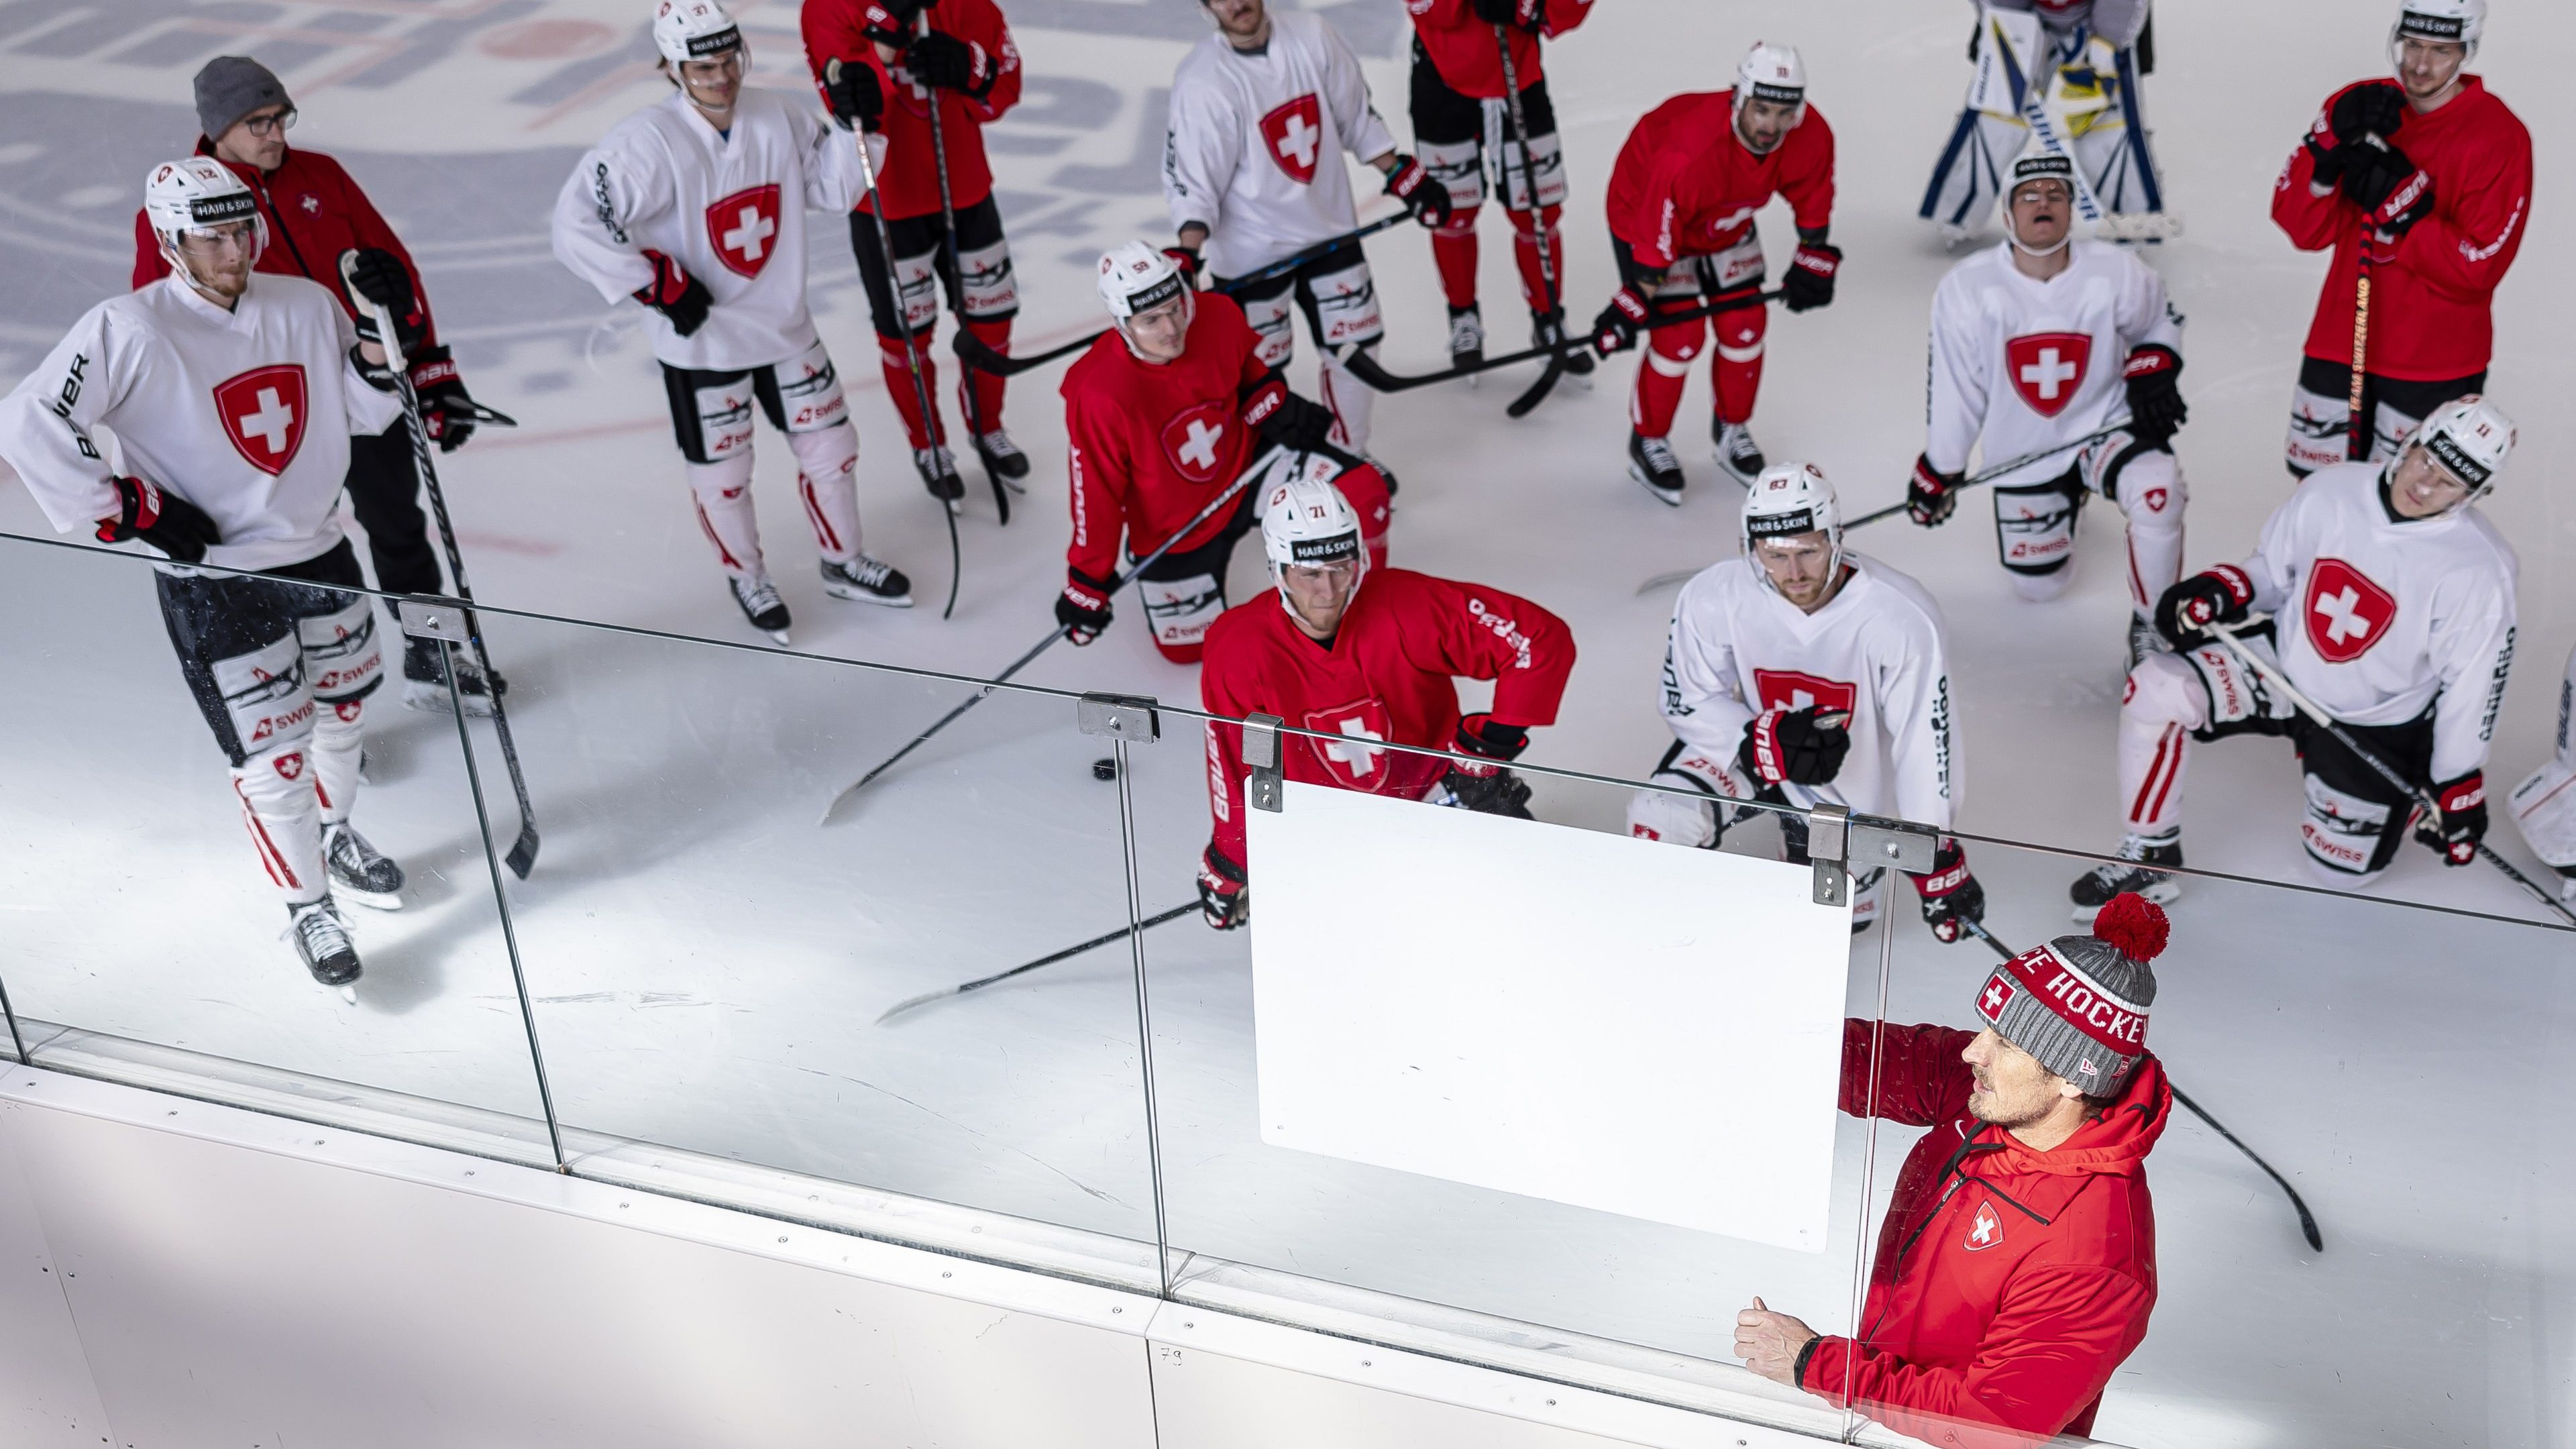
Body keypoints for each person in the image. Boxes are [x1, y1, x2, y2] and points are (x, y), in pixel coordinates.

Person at [1, 158, 415, 990]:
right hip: (213, 579)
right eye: (212, 236)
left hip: (318, 547)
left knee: (343, 716)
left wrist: (381, 323)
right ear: (169, 240)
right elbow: (32, 418)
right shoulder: (129, 326)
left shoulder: (306, 304)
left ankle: (336, 831)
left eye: (243, 230)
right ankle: (308, 905)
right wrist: (130, 507)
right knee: (274, 753)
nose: (235, 251)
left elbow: (370, 408)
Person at [131, 56, 505, 716]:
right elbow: (157, 318)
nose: (276, 134)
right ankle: (311, 701)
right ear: (219, 128)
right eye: (258, 123)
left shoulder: (322, 175)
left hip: (362, 382)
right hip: (272, 412)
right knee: (289, 552)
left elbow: (393, 268)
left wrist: (427, 365)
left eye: (281, 117)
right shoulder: (179, 209)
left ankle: (435, 653)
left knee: (398, 525)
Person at [1734, 894, 2171, 1445]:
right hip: (1881, 1413)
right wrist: (1750, 1032)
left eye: (2005, 1042)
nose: (1973, 1052)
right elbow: (1868, 1060)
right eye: (1986, 1026)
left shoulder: (2093, 1256)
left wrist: (1814, 1365)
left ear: (2073, 1079)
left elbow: (1991, 1426)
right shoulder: (2002, 1096)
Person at [553, 0, 911, 645]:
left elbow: (833, 190)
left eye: (729, 61)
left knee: (833, 452)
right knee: (723, 480)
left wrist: (865, 124)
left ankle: (843, 561)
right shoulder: (645, 144)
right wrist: (650, 282)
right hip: (703, 345)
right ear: (671, 66)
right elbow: (573, 224)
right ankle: (746, 574)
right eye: (704, 66)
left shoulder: (776, 115)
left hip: (785, 327)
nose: (722, 77)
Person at [2072, 396, 2516, 909]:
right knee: (2156, 687)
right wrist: (2223, 590)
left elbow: (2475, 689)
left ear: (2476, 492)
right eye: (2425, 462)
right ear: (2411, 441)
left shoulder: (2482, 571)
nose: (2424, 485)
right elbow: (2273, 573)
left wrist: (2455, 782)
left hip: (2372, 719)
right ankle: (2149, 852)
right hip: (2282, 668)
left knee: (2341, 874)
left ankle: (2395, 795)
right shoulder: (2333, 489)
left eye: (2449, 483)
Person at [1195, 474, 1574, 928]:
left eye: (1341, 567)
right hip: (1330, 836)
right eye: (1310, 573)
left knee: (1527, 921)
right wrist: (1232, 861)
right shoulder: (1241, 650)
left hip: (1444, 799)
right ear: (1277, 567)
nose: (1328, 591)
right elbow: (1244, 764)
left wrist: (1487, 751)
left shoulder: (1404, 606)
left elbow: (1537, 641)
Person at [1628, 463, 1980, 941]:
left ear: (1835, 537)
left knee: (1835, 925)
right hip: (1754, 751)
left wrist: (1932, 849)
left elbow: (1925, 739)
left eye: (1808, 552)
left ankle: (1815, 851)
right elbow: (1685, 698)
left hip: (1848, 786)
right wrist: (1759, 740)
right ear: (1750, 548)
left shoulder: (1899, 616)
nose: (1792, 573)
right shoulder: (1715, 595)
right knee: (1659, 819)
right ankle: (1670, 949)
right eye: (1773, 555)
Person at [1908, 150, 2189, 666]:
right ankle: (2069, 499)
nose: (2044, 204)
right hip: (2025, 450)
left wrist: (2155, 361)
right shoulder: (1968, 289)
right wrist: (1940, 468)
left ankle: (2154, 625)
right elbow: (1956, 387)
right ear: (2009, 214)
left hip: (2106, 429)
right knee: (2040, 588)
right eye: (2030, 196)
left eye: (2056, 195)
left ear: (2072, 208)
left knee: (2158, 490)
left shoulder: (2116, 271)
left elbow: (2161, 319)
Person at [1057, 241, 1389, 664]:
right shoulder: (1097, 392)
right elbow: (1096, 493)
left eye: (1175, 308)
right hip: (1175, 525)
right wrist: (1087, 577)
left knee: (1363, 492)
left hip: (1250, 470)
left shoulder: (1216, 313)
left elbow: (1247, 375)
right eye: (1150, 320)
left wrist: (1272, 403)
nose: (1171, 329)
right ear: (1122, 323)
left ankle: (1362, 621)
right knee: (1190, 651)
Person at [1164, 0, 1451, 457]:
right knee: (1261, 377)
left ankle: (1347, 457)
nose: (1237, 3)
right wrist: (1187, 251)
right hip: (1251, 258)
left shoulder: (1314, 36)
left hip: (1329, 233)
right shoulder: (1203, 80)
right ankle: (1275, 478)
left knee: (1358, 348)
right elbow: (1194, 184)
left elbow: (1355, 118)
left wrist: (1401, 174)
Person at [2272, 0, 2528, 477]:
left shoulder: (2499, 137)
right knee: (2321, 491)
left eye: (2441, 50)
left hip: (2433, 361)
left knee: (2409, 505)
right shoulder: (2361, 106)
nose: (2421, 65)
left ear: (2467, 51)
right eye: (2412, 45)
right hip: (2340, 342)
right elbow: (2304, 229)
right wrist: (2323, 153)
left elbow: (2480, 267)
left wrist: (2405, 215)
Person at [1593, 41, 1837, 501]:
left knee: (1744, 325)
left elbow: (1813, 191)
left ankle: (1732, 428)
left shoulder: (1810, 133)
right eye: (1761, 110)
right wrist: (1633, 300)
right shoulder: (1686, 153)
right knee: (1678, 336)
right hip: (1647, 213)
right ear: (1739, 98)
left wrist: (1813, 254)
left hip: (1725, 219)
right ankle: (1648, 437)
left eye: (1785, 114)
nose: (1772, 126)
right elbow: (1657, 231)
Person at [802, 0, 1026, 498]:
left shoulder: (968, 5)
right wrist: (882, 46)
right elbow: (849, 104)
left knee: (992, 320)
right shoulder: (828, 8)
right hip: (887, 201)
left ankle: (987, 427)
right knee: (907, 337)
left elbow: (1005, 91)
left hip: (965, 189)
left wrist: (973, 69)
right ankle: (929, 444)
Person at [1401, 0, 1595, 372]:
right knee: (1452, 212)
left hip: (1519, 76)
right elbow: (1429, 8)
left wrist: (1529, 7)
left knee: (1538, 210)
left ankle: (1548, 319)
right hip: (1441, 76)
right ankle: (1463, 316)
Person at [1919, 0, 2170, 244]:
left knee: (2107, 128)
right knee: (1996, 117)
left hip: (2097, 25)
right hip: (2018, 15)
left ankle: (2134, 218)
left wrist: (2107, 42)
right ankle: (1955, 213)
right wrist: (2008, 21)